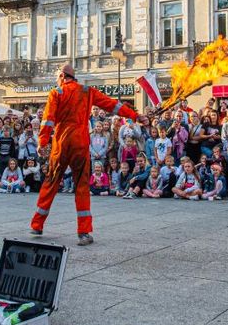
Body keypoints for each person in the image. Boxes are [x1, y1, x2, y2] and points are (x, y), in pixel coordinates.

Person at [29, 63, 144, 246]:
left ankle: (37, 224)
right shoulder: (87, 91)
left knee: (51, 181)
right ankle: (83, 233)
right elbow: (112, 105)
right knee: (82, 186)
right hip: (80, 143)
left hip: (61, 143)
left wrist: (42, 142)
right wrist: (135, 116)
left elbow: (48, 120)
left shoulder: (56, 93)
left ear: (61, 76)